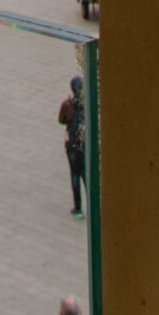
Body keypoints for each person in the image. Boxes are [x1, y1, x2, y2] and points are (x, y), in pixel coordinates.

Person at [58, 76, 87, 217]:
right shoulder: (87, 103)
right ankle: (93, 204)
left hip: (71, 144)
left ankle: (78, 208)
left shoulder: (68, 104)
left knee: (75, 173)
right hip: (84, 144)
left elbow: (61, 120)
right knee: (85, 173)